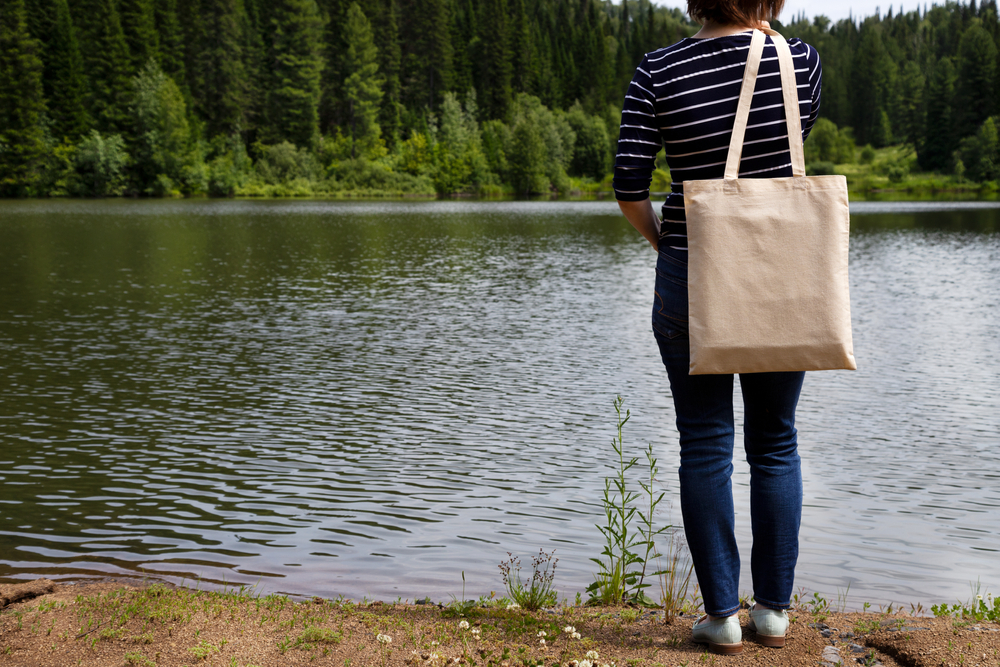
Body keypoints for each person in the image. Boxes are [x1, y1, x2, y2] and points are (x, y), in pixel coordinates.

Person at [613, 0, 822, 656]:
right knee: (776, 440)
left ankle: (720, 616)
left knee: (705, 443)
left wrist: (670, 247)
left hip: (689, 274)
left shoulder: (657, 69)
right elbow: (780, 143)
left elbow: (628, 185)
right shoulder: (800, 61)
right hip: (784, 275)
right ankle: (775, 612)